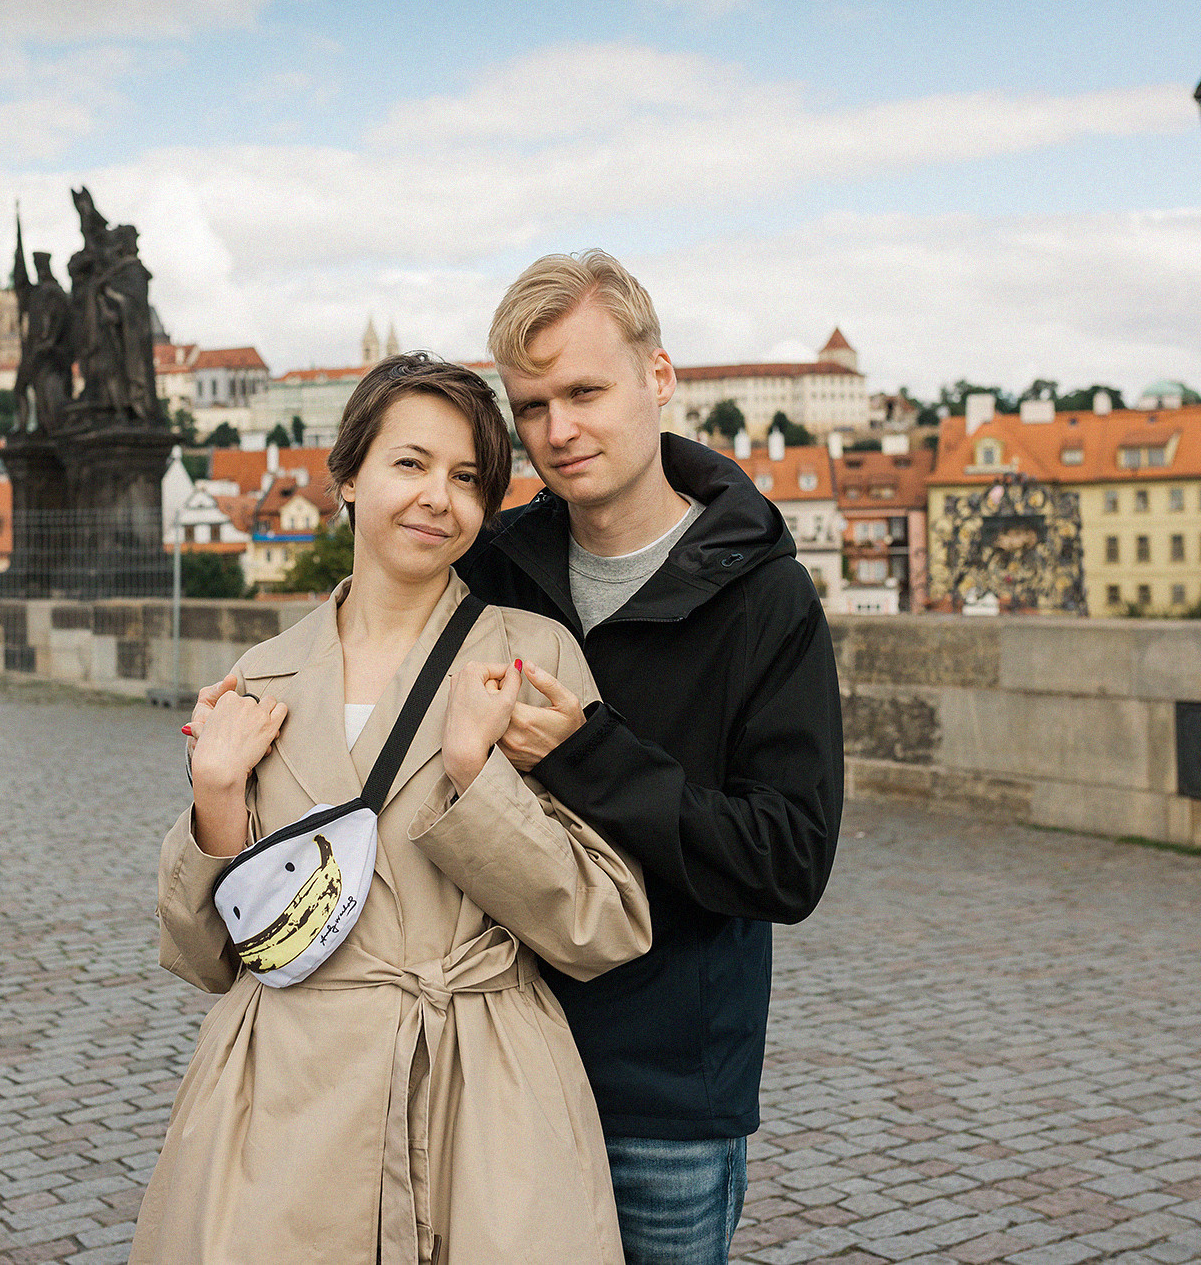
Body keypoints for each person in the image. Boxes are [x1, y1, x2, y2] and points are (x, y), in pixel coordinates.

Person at [137, 355, 652, 1265]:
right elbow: (203, 954)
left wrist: (475, 778)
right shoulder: (263, 675)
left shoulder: (529, 659)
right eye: (409, 464)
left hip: (483, 1094)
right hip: (284, 1108)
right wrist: (215, 798)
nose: (436, 499)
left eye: (466, 479)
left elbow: (604, 922)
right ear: (345, 476)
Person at [459, 252, 844, 1265]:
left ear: (657, 378)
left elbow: (785, 862)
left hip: (664, 1091)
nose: (557, 431)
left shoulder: (763, 597)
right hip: (490, 1060)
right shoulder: (489, 568)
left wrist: (589, 756)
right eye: (530, 404)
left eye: (583, 391)